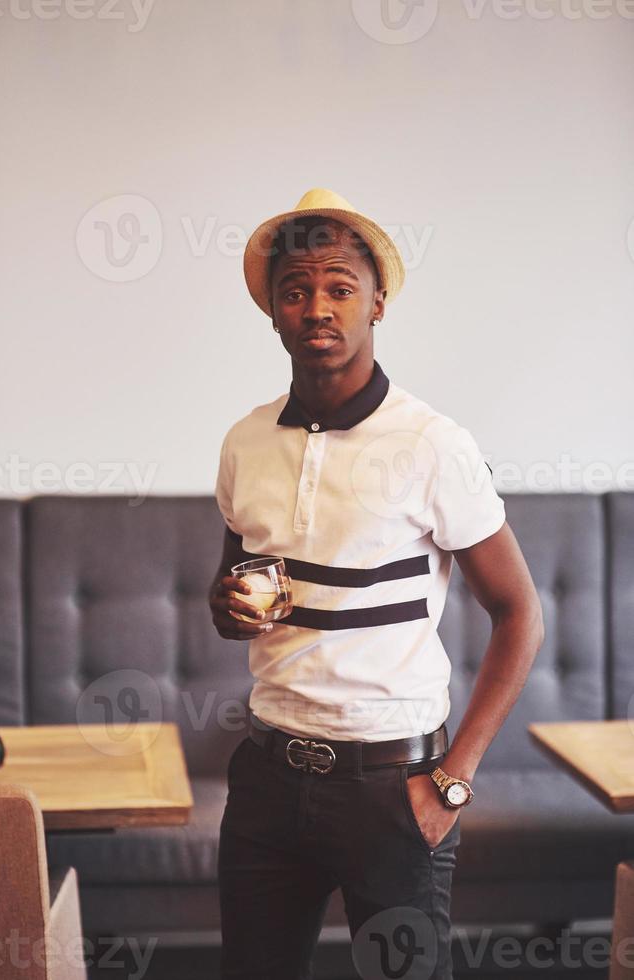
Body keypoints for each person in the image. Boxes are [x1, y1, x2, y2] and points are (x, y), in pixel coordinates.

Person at [209, 188, 544, 980]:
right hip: (267, 776)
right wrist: (228, 608)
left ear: (377, 303)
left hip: (393, 787)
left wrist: (451, 784)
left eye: (338, 286)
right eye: (295, 290)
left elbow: (519, 612)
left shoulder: (433, 444)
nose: (316, 306)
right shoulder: (245, 441)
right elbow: (229, 593)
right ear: (273, 312)